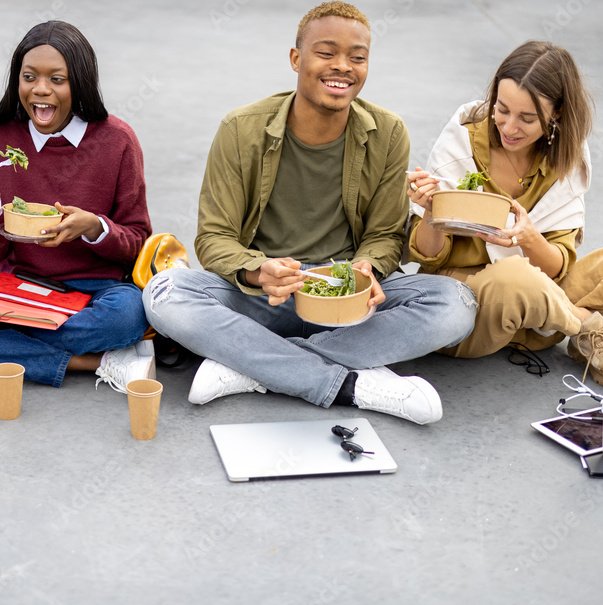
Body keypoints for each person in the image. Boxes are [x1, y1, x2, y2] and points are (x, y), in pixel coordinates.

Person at [142, 2, 477, 425]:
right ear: (296, 59)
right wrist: (258, 269)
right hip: (265, 295)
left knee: (456, 302)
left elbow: (387, 234)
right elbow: (214, 238)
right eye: (326, 52)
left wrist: (365, 270)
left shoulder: (388, 132)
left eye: (357, 57)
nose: (342, 67)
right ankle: (351, 385)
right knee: (165, 291)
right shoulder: (240, 129)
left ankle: (252, 366)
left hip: (349, 302)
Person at [408, 40, 603, 388]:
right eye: (501, 109)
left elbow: (557, 268)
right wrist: (431, 212)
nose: (509, 127)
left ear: (556, 113)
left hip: (543, 308)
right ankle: (587, 328)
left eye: (527, 118)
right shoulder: (461, 146)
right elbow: (430, 263)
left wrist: (528, 239)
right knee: (515, 275)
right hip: (469, 309)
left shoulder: (565, 157)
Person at [0, 21, 154, 391]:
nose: (40, 90)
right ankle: (95, 362)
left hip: (98, 292)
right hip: (21, 288)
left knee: (128, 316)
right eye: (29, 77)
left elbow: (137, 241)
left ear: (81, 82)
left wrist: (95, 227)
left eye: (57, 79)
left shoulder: (117, 141)